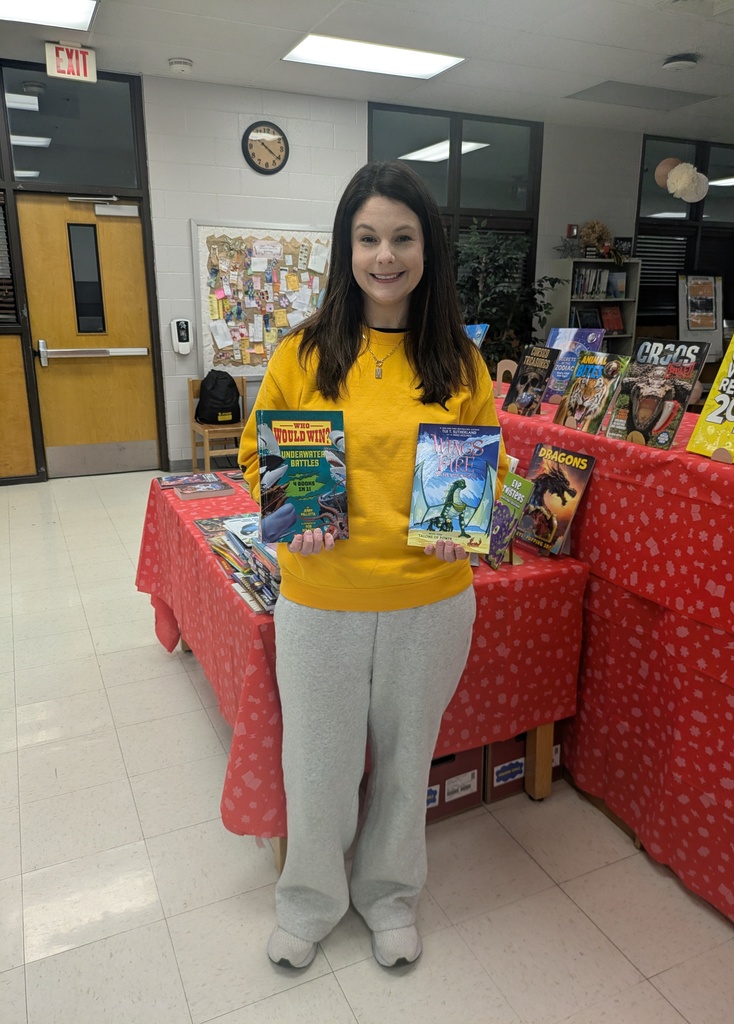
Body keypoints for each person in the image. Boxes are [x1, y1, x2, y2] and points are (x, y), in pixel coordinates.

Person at [238, 160, 506, 970]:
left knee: (402, 760)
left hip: (430, 597)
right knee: (316, 763)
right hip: (322, 597)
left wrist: (465, 525)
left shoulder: (459, 361)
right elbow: (259, 457)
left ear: (426, 250)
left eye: (401, 237)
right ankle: (309, 903)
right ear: (343, 248)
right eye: (367, 238)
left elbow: (480, 474)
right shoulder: (304, 351)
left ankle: (390, 896)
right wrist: (289, 512)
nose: (384, 256)